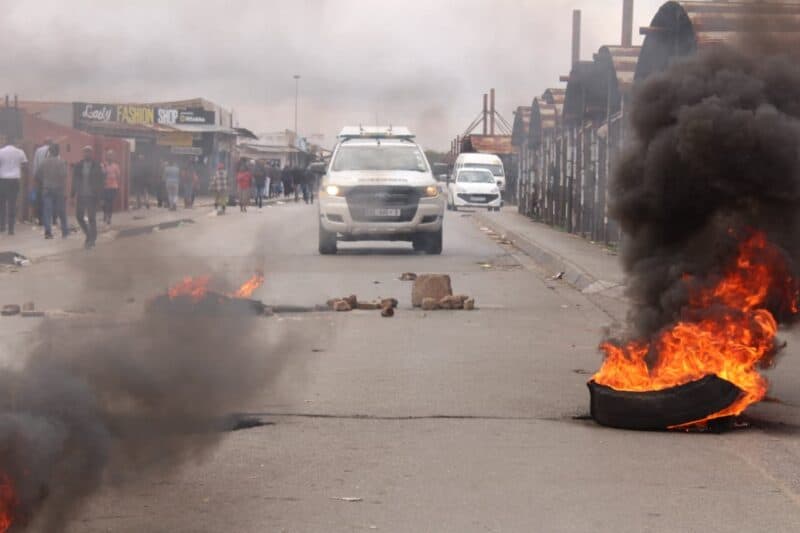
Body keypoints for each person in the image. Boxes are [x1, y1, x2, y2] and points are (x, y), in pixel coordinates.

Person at [71, 146, 104, 248]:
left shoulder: (97, 166)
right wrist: (72, 195)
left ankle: (92, 240)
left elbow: (100, 182)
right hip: (81, 195)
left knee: (91, 218)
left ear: (91, 154)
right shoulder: (78, 165)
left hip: (92, 196)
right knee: (79, 216)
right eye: (85, 152)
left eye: (89, 152)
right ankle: (88, 235)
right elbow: (74, 181)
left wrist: (101, 197)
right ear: (83, 153)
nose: (87, 154)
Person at [36, 143, 69, 239]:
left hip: (47, 189)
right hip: (59, 189)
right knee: (62, 211)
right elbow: (64, 177)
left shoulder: (44, 162)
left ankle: (48, 232)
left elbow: (37, 175)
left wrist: (45, 181)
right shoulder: (61, 162)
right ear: (58, 151)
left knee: (47, 211)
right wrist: (65, 191)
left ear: (50, 151)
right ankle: (65, 232)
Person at [0, 137, 28, 236]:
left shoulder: (1, 151)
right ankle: (11, 229)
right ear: (15, 142)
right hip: (14, 181)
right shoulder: (20, 152)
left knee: (2, 204)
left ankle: (2, 226)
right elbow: (25, 165)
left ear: (6, 142)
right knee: (12, 204)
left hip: (2, 181)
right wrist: (18, 167)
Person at [101, 150, 121, 224]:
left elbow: (118, 176)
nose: (110, 157)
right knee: (103, 203)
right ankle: (105, 214)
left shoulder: (116, 166)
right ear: (106, 156)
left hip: (113, 187)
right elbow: (101, 175)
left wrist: (118, 187)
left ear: (113, 157)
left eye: (111, 155)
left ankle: (109, 217)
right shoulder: (103, 165)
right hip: (105, 187)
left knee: (110, 202)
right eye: (109, 155)